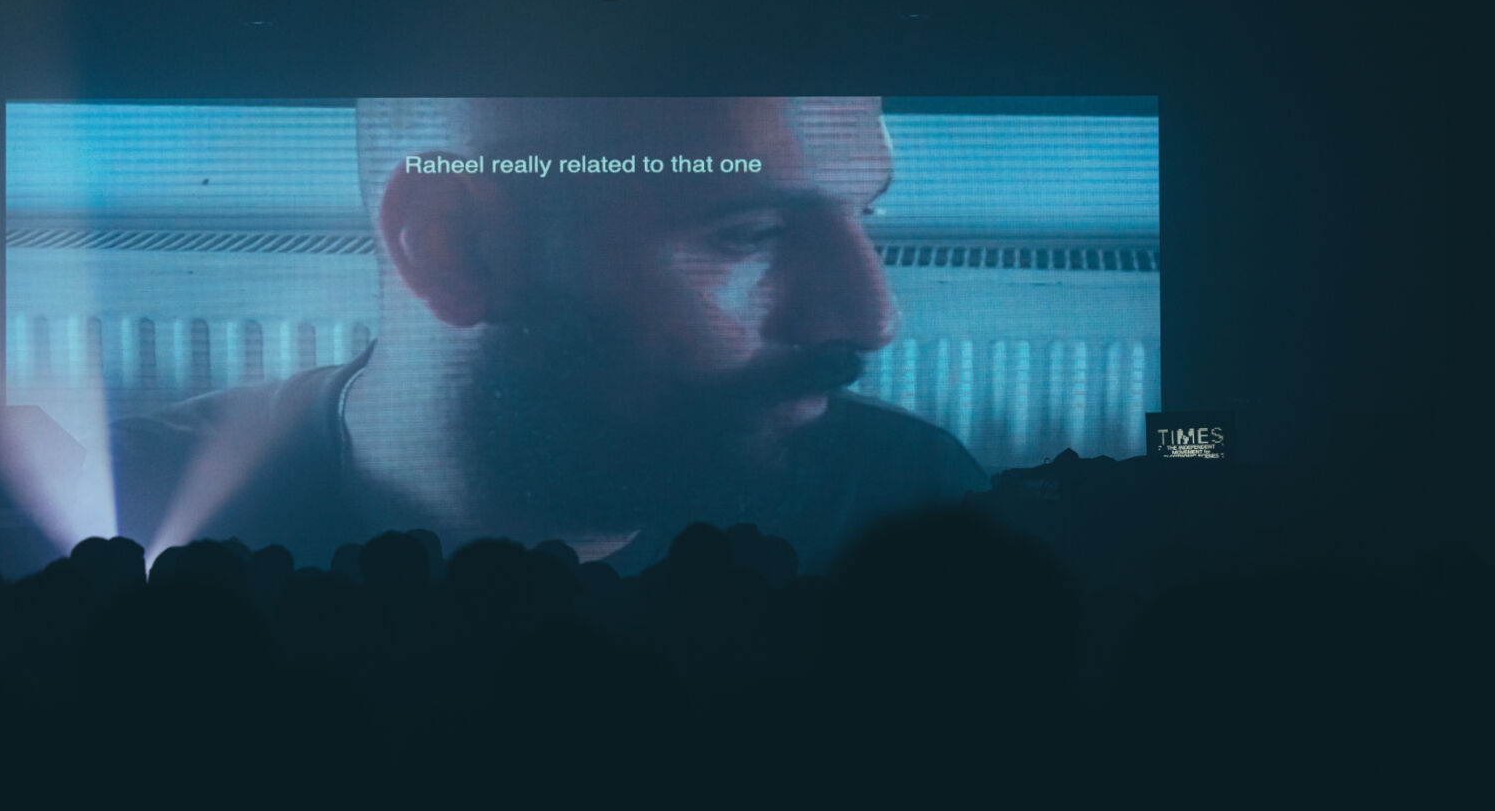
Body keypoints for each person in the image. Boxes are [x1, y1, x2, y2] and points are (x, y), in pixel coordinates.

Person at [112, 98, 986, 570]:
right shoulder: (123, 526)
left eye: (866, 212)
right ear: (456, 247)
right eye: (750, 234)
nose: (873, 319)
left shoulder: (914, 511)